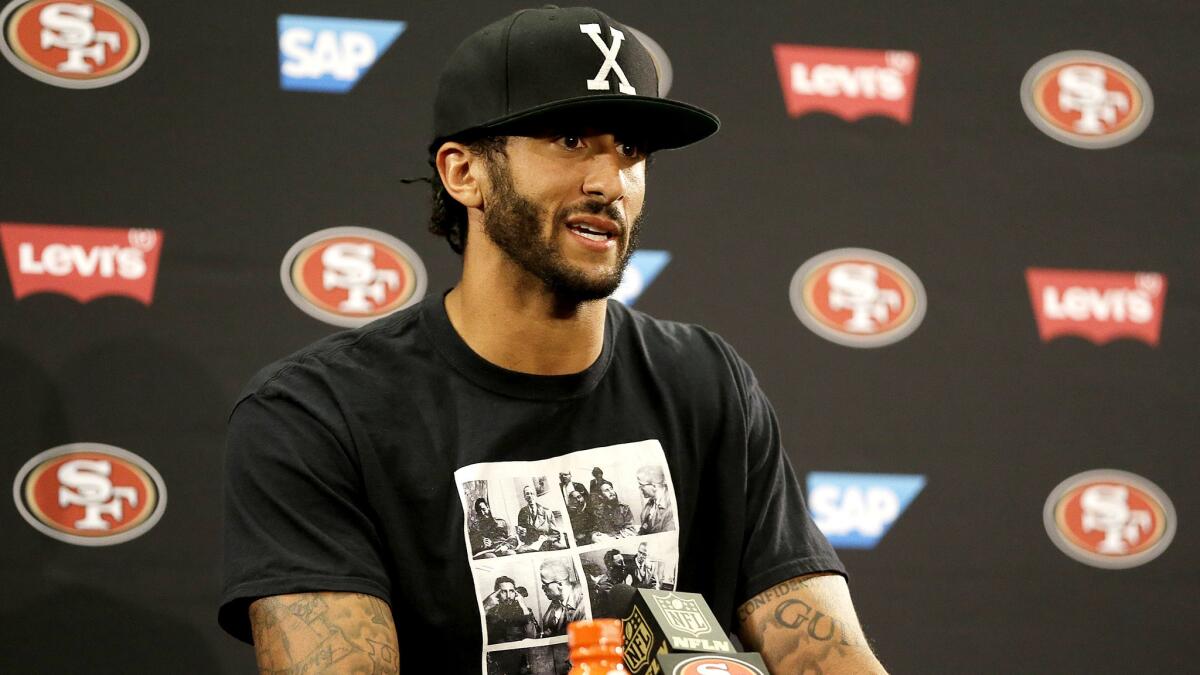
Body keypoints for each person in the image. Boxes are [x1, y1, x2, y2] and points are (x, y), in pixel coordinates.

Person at [220, 6, 888, 674]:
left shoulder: (709, 382)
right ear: (463, 173)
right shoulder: (316, 413)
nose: (608, 183)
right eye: (570, 140)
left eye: (631, 150)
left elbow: (827, 649)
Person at [483, 576, 540, 645]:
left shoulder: (524, 610)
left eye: (511, 591)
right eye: (504, 592)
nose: (508, 596)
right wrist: (486, 608)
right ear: (497, 593)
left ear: (515, 593)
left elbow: (532, 637)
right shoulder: (489, 610)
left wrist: (524, 607)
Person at [538, 560, 586, 638]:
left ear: (560, 584)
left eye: (545, 584)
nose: (542, 588)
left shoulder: (584, 603)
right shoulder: (557, 602)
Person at [588, 549, 637, 619]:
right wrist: (627, 585)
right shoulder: (604, 584)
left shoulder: (619, 579)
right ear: (610, 566)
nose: (624, 565)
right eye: (620, 562)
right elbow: (621, 602)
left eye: (623, 561)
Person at [515, 485, 565, 551]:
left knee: (561, 548)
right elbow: (523, 538)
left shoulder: (547, 512)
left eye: (532, 493)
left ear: (535, 496)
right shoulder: (522, 513)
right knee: (520, 551)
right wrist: (522, 534)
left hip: (547, 541)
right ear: (524, 497)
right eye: (527, 494)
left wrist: (546, 539)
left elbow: (555, 533)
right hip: (531, 544)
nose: (530, 496)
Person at [636, 465, 675, 535]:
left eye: (641, 485)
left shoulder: (672, 507)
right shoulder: (650, 504)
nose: (640, 488)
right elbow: (644, 528)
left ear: (654, 486)